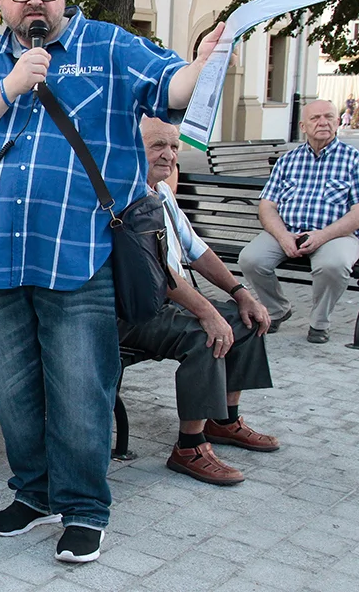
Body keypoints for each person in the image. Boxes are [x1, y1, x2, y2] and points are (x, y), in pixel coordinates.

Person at [0, 0, 224, 563]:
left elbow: (173, 87)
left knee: (81, 393)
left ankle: (86, 508)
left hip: (80, 258)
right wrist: (11, 86)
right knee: (14, 392)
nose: (37, 4)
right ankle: (33, 493)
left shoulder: (109, 46)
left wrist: (202, 66)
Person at [120, 118, 278, 485]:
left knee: (247, 320)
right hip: (132, 311)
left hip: (165, 302)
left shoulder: (162, 193)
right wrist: (206, 312)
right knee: (205, 335)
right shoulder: (126, 195)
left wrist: (240, 294)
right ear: (132, 147)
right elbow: (156, 272)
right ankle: (189, 447)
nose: (169, 154)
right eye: (158, 144)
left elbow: (197, 249)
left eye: (174, 146)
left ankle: (224, 421)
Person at [239, 99, 359, 344]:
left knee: (334, 264)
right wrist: (283, 236)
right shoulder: (288, 160)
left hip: (336, 234)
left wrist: (322, 236)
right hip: (289, 230)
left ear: (338, 122)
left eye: (329, 116)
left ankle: (319, 322)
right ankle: (277, 310)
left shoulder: (354, 160)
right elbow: (267, 206)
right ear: (303, 126)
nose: (323, 122)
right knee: (251, 258)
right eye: (315, 118)